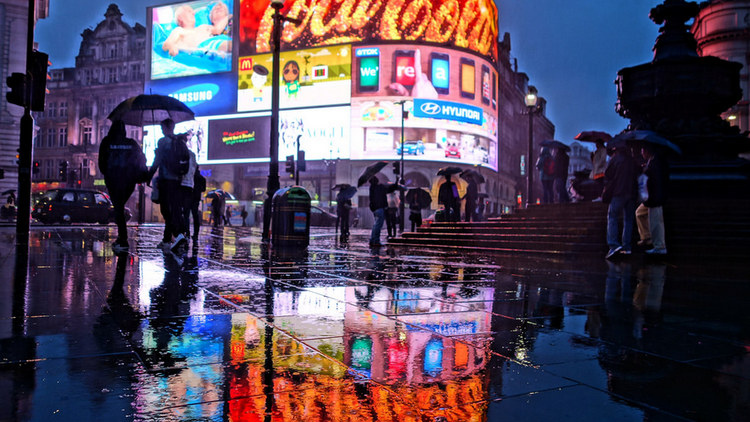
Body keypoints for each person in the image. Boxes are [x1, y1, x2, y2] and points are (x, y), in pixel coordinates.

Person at [99, 120, 148, 253]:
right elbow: (141, 158)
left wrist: (108, 173)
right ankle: (122, 238)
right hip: (129, 180)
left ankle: (123, 238)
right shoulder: (131, 143)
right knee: (120, 206)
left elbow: (101, 163)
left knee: (118, 207)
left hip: (113, 179)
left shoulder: (107, 142)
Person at [149, 118, 187, 251]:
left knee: (166, 209)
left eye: (161, 128)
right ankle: (170, 238)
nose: (161, 130)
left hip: (166, 179)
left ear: (166, 127)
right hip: (177, 180)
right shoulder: (179, 141)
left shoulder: (163, 141)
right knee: (175, 208)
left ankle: (177, 235)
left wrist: (150, 174)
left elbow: (157, 161)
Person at [603, 146, 639, 259]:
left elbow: (608, 174)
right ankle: (626, 247)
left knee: (612, 216)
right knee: (628, 219)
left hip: (619, 192)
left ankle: (614, 245)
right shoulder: (633, 160)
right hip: (631, 193)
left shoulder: (616, 159)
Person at [162, 2, 231, 57]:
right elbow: (166, 44)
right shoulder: (179, 30)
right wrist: (171, 47)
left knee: (230, 44)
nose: (194, 13)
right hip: (204, 48)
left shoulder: (204, 27)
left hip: (213, 44)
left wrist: (228, 16)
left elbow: (217, 30)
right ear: (181, 17)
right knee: (227, 45)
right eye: (189, 11)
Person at [637, 145, 669, 255]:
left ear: (647, 151)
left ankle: (660, 246)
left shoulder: (656, 163)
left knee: (656, 222)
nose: (641, 153)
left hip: (655, 197)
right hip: (652, 197)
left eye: (642, 150)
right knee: (639, 213)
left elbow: (654, 179)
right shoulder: (653, 161)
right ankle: (647, 237)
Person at [368, 177, 387, 247]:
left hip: (374, 209)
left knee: (375, 225)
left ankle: (372, 240)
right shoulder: (378, 188)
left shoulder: (372, 188)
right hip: (379, 208)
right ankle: (376, 240)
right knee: (378, 225)